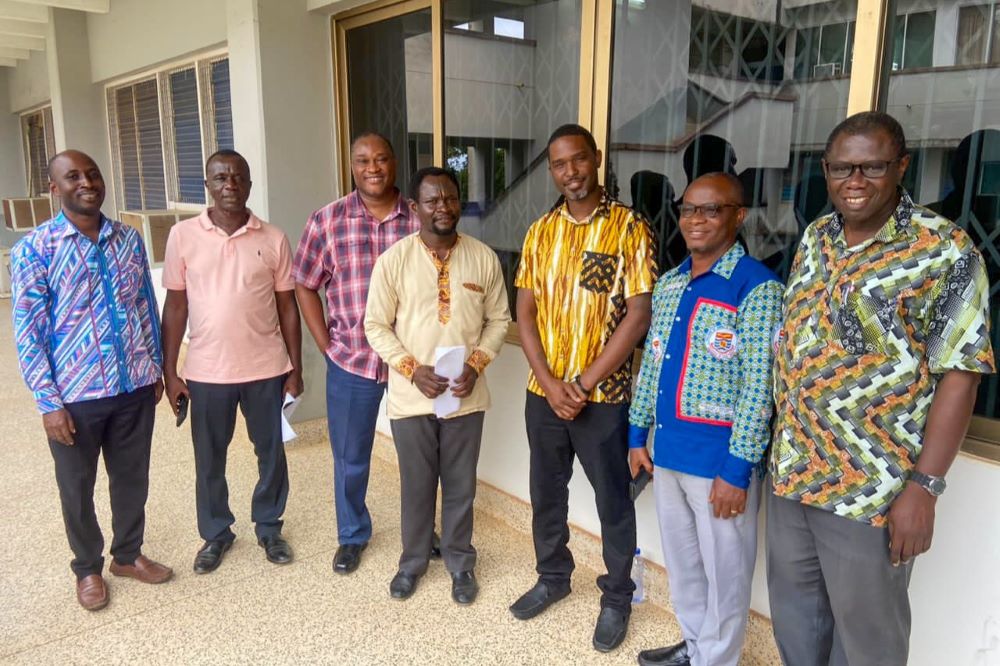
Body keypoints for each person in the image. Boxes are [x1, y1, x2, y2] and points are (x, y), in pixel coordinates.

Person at [768, 111, 996, 666]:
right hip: (794, 473)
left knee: (869, 644)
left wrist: (926, 487)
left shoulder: (943, 249)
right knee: (797, 629)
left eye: (872, 166)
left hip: (873, 488)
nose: (856, 180)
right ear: (826, 169)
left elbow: (961, 376)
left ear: (901, 167)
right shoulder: (816, 239)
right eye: (843, 167)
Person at [511, 123, 656, 652]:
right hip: (543, 393)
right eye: (558, 164)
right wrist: (551, 385)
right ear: (551, 170)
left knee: (613, 500)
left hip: (605, 397)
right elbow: (524, 312)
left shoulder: (629, 228)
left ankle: (617, 596)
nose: (569, 171)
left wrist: (581, 383)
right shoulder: (539, 231)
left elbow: (639, 314)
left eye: (577, 160)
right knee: (545, 493)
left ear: (595, 159)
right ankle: (553, 576)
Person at [628, 173, 783, 666]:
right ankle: (694, 648)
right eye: (689, 209)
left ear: (738, 216)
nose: (696, 219)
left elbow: (761, 385)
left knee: (726, 574)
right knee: (685, 566)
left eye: (711, 210)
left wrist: (737, 470)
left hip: (719, 464)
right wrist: (637, 434)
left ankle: (717, 659)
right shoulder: (671, 284)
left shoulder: (757, 287)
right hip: (668, 452)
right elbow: (651, 365)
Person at [10, 150, 173, 611]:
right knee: (76, 486)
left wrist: (156, 365)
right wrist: (48, 402)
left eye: (93, 174)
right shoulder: (36, 249)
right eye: (73, 177)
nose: (86, 182)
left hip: (133, 386)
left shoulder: (128, 239)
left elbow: (145, 304)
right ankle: (86, 567)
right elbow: (28, 329)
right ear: (54, 188)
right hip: (74, 394)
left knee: (131, 478)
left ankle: (127, 555)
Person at [365, 167, 510, 604]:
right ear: (414, 207)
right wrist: (411, 368)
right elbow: (375, 325)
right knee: (417, 486)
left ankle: (461, 564)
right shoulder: (394, 260)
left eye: (450, 198)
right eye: (432, 200)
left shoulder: (483, 257)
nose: (443, 207)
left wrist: (478, 363)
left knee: (462, 485)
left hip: (465, 396)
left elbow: (499, 319)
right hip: (412, 398)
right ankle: (411, 563)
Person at [161, 149, 303, 574]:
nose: (230, 185)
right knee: (210, 457)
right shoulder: (183, 236)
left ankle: (269, 526)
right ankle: (216, 533)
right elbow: (175, 307)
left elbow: (288, 307)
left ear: (249, 184)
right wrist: (170, 371)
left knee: (271, 453)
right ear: (207, 185)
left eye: (238, 177)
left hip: (267, 368)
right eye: (220, 178)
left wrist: (295, 367)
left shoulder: (273, 237)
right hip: (207, 371)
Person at [293, 132, 420, 574]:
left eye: (381, 159)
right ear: (352, 166)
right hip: (352, 359)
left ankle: (422, 532)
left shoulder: (420, 219)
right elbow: (305, 283)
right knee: (350, 455)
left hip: (414, 364)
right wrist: (325, 345)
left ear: (394, 164)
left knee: (422, 456)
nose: (373, 168)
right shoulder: (326, 220)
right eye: (363, 160)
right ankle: (352, 534)